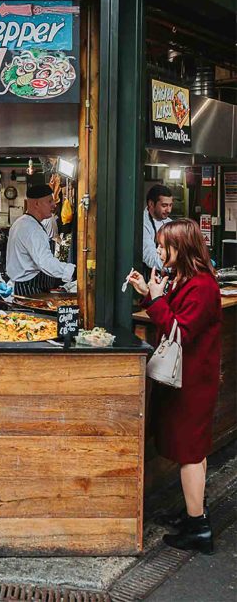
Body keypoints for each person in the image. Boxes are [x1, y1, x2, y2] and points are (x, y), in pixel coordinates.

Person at [127, 219, 221, 554]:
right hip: (188, 379)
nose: (158, 251)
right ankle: (195, 511)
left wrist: (154, 298)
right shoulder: (187, 280)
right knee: (192, 449)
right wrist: (148, 293)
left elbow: (179, 332)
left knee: (191, 453)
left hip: (192, 381)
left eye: (163, 246)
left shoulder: (203, 287)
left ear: (181, 248)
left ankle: (199, 529)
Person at [6, 183, 76, 296]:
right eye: (49, 201)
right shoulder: (31, 228)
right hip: (28, 290)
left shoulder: (22, 222)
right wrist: (73, 271)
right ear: (37, 204)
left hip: (25, 286)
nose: (54, 205)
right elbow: (45, 262)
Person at [142, 184, 174, 273]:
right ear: (151, 204)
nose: (169, 210)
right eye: (164, 206)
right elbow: (150, 257)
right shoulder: (142, 224)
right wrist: (177, 268)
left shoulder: (169, 222)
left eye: (170, 205)